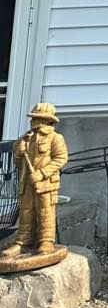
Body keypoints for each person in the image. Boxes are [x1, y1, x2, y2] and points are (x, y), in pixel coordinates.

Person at [0, 103, 68, 257]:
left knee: (45, 211)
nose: (34, 122)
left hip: (46, 184)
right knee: (26, 211)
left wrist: (42, 173)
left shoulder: (55, 138)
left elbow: (61, 158)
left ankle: (46, 241)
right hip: (27, 182)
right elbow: (18, 163)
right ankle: (23, 242)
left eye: (38, 118)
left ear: (48, 121)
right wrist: (19, 151)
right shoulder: (25, 139)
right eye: (33, 118)